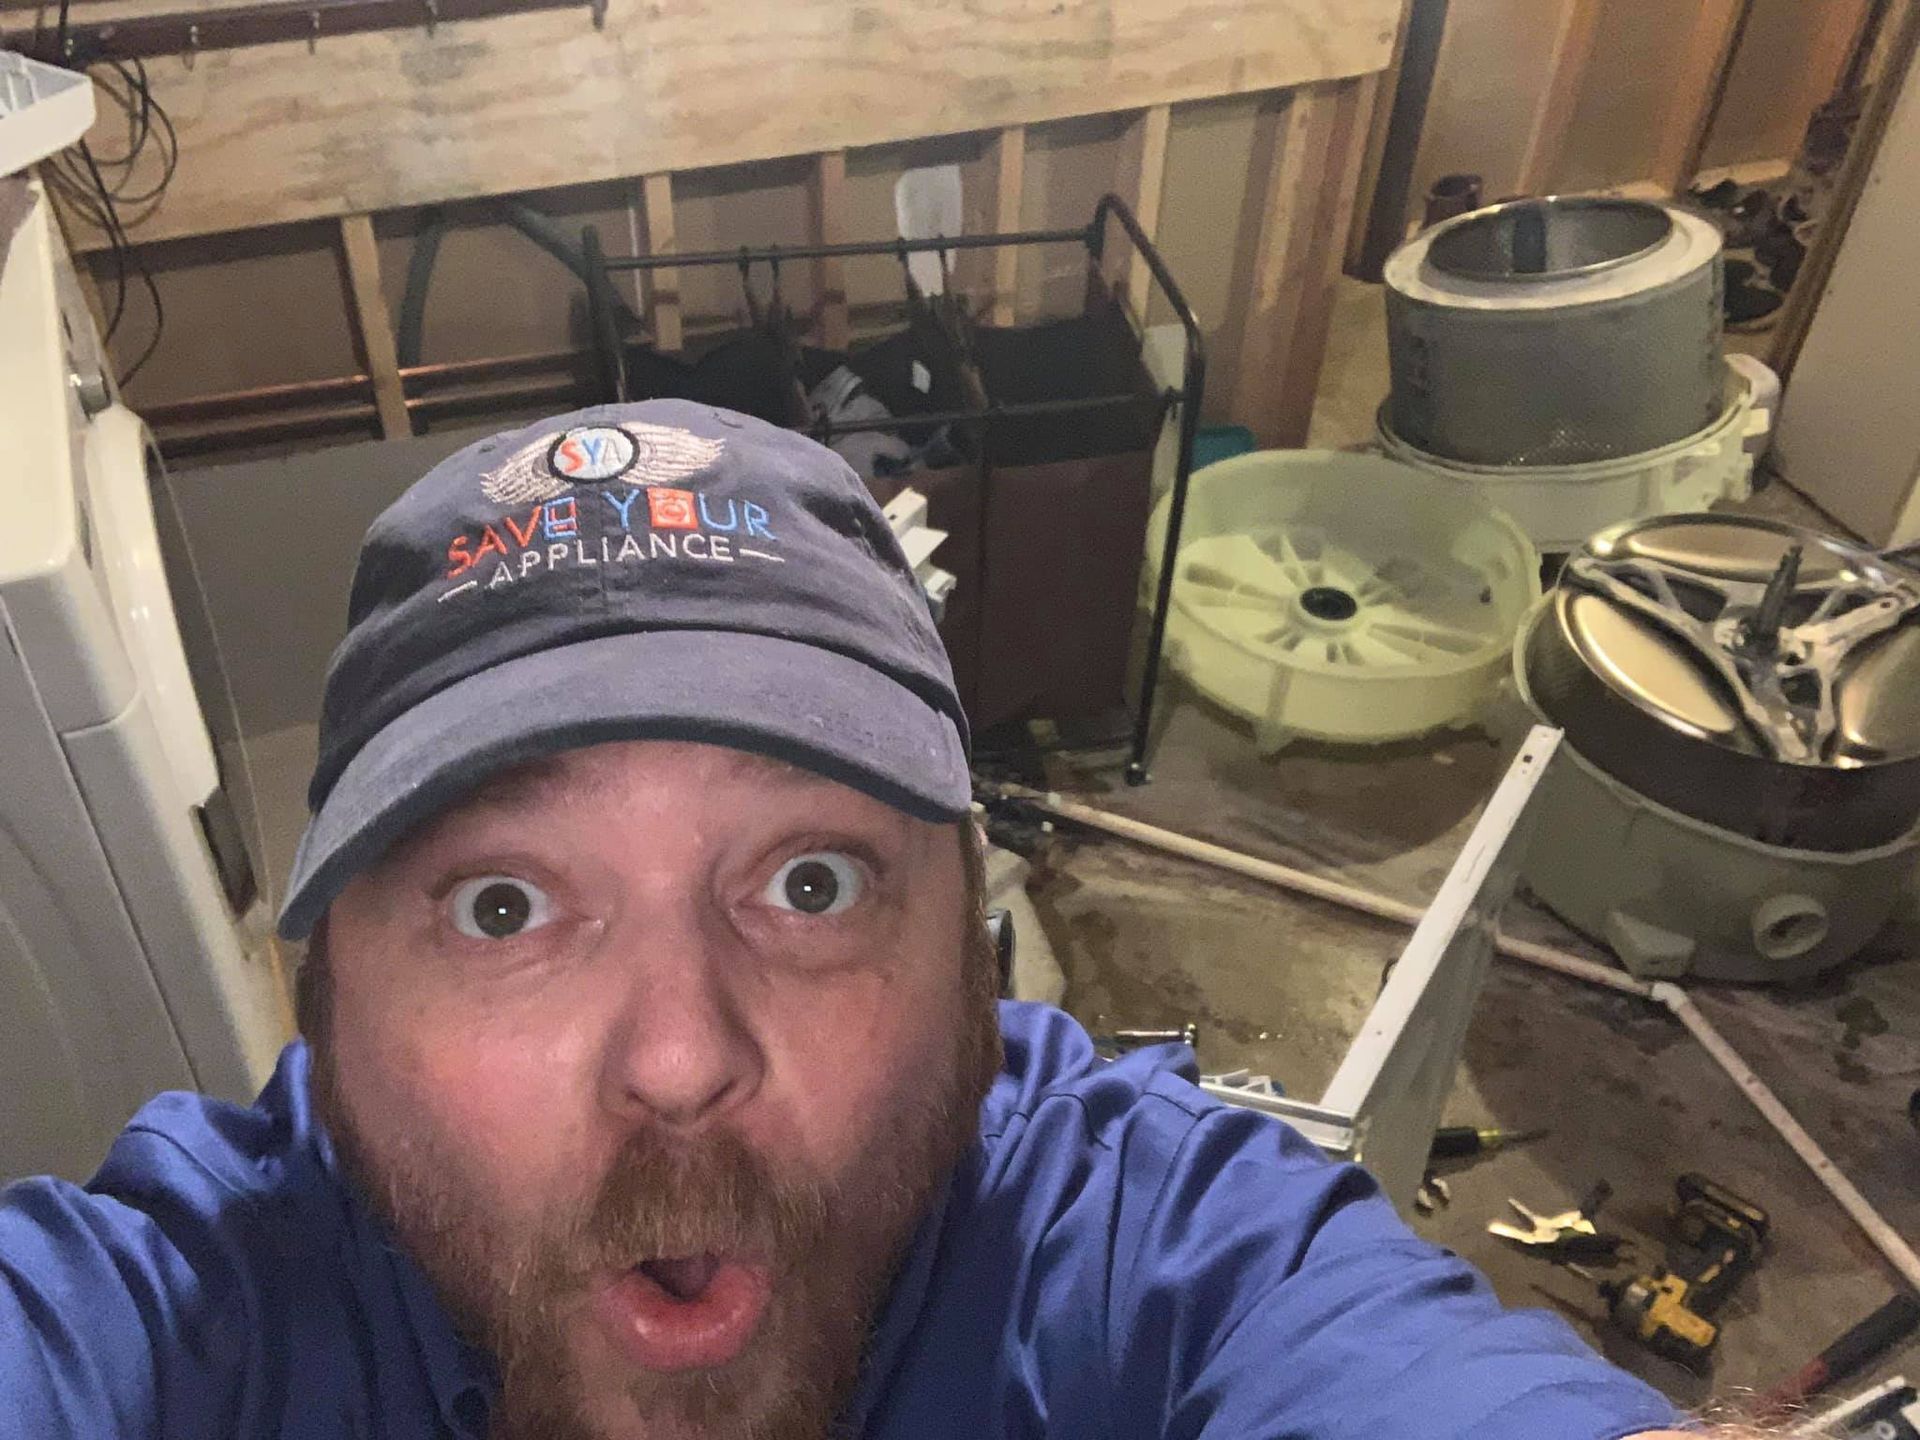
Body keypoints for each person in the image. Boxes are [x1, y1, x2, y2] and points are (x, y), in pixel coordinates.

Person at [0, 401, 1720, 1440]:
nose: (680, 1057)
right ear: (326, 1008)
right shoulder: (181, 1317)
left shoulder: (1134, 1249)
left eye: (808, 884)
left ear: (975, 963)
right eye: (505, 903)